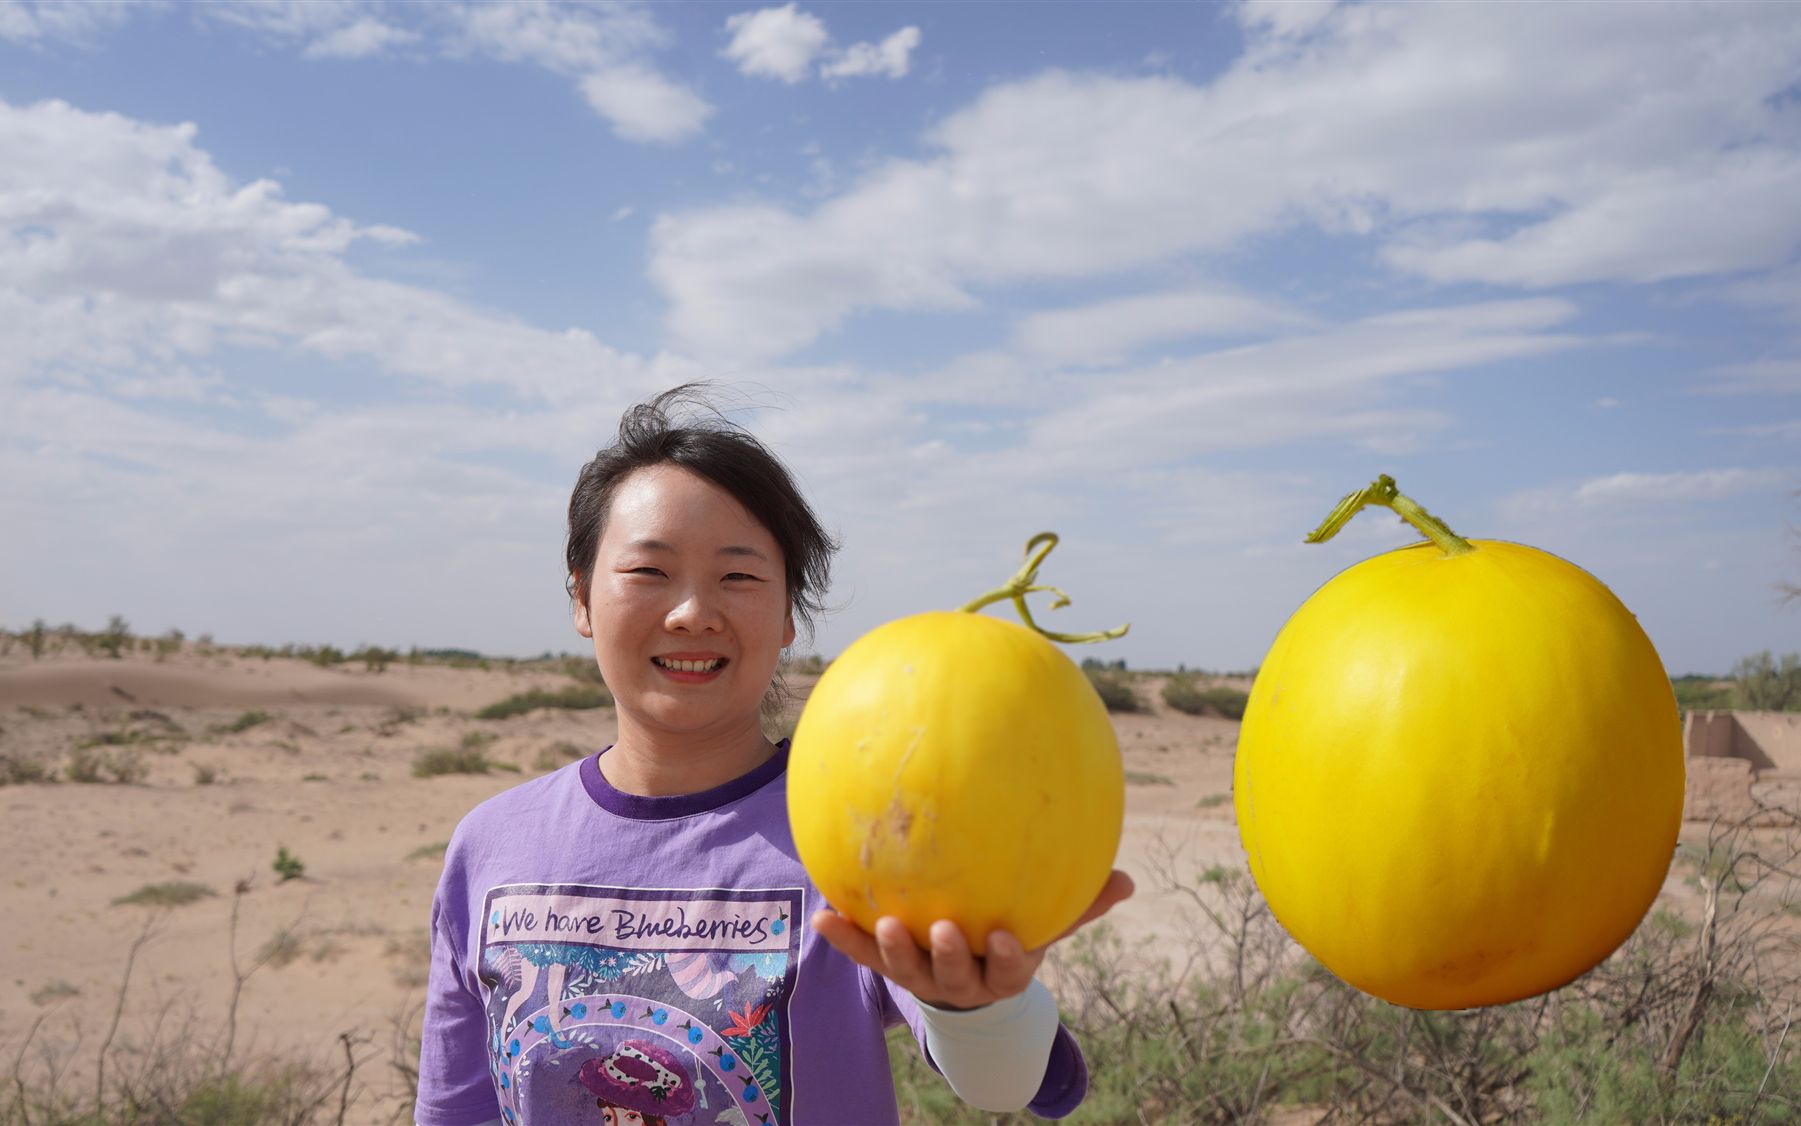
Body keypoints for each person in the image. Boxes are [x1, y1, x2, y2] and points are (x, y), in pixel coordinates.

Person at [414, 386, 1133, 1126]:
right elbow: (454, 1106)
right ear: (581, 598)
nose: (692, 612)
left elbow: (1003, 1083)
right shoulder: (490, 844)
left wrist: (978, 1005)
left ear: (789, 613)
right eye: (647, 572)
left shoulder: (858, 830)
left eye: (739, 576)